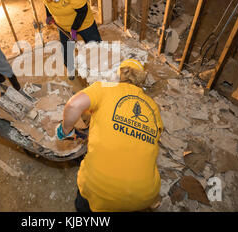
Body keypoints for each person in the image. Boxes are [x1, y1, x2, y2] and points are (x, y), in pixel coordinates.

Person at [56, 59, 163, 212]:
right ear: (140, 81)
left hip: (99, 186)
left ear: (119, 75)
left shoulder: (105, 88)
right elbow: (155, 137)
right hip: (145, 195)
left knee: (84, 206)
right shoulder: (152, 106)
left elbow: (74, 105)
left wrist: (65, 129)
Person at [39, 0, 102, 78]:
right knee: (67, 49)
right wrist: (49, 15)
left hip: (85, 23)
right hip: (63, 25)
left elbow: (82, 11)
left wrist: (74, 29)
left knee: (95, 46)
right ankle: (71, 69)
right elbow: (46, 4)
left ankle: (99, 66)